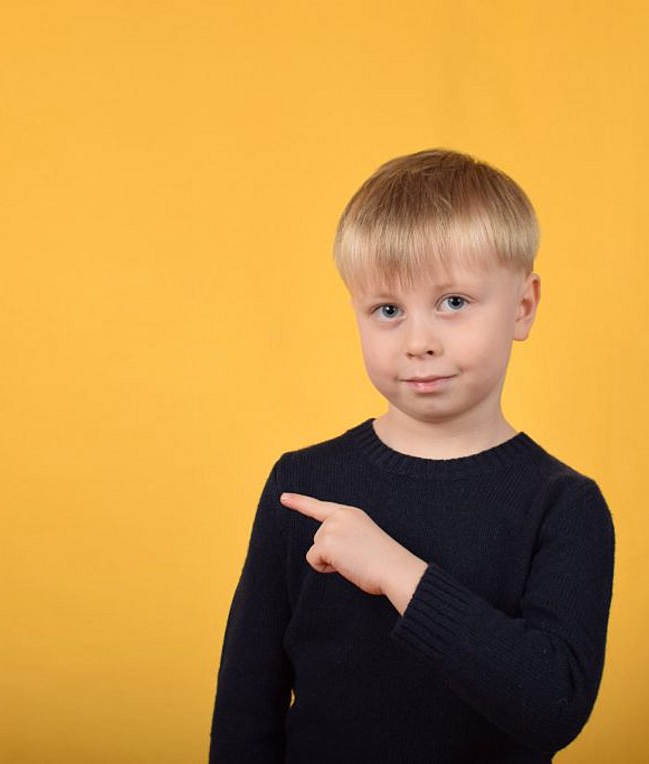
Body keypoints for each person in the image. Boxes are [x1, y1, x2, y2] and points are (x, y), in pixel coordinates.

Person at [209, 149, 615, 762]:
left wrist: (399, 573)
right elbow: (247, 703)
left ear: (523, 307)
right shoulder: (304, 483)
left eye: (453, 302)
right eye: (388, 310)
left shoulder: (564, 505)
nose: (419, 342)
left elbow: (553, 707)